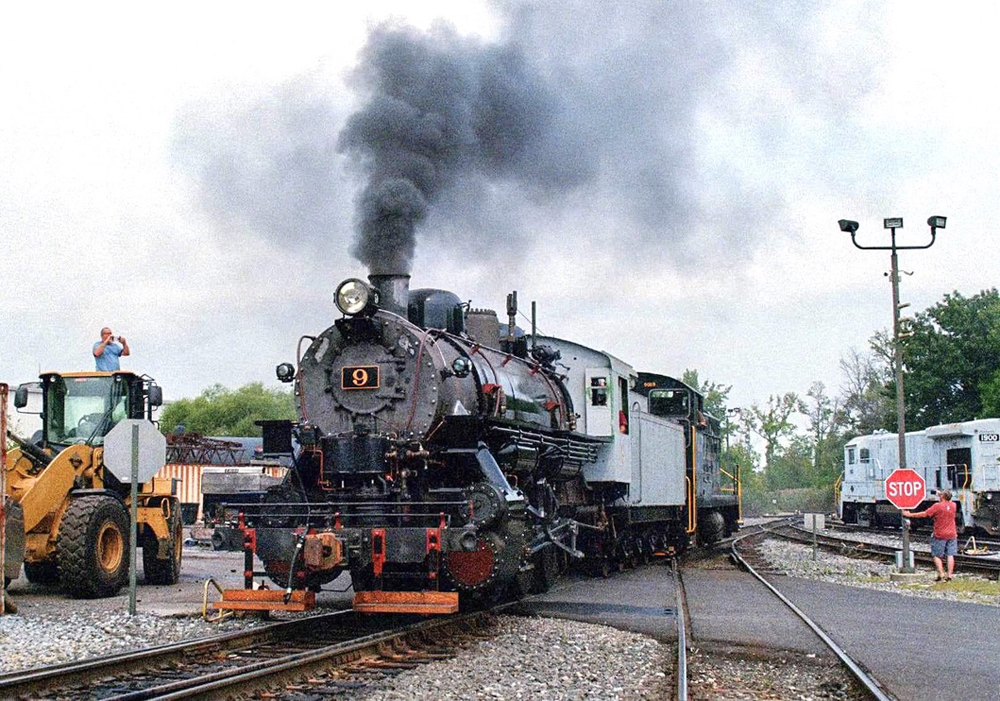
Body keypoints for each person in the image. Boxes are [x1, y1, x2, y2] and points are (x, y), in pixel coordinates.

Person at [902, 490, 958, 581]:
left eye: (941, 495)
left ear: (942, 496)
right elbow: (948, 499)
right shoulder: (953, 505)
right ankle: (950, 575)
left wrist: (910, 514)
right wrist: (941, 493)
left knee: (937, 555)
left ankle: (941, 573)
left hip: (940, 534)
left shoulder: (937, 506)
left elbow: (924, 514)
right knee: (950, 555)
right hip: (952, 534)